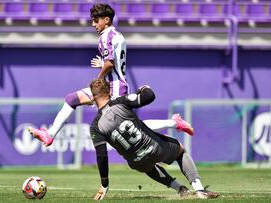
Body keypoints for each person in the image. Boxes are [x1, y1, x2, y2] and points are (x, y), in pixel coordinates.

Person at [27, 3, 194, 146]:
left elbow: (110, 63)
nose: (93, 24)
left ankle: (174, 123)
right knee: (72, 99)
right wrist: (103, 67)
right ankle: (50, 134)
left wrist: (99, 80)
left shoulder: (105, 36)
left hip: (113, 88)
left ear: (106, 20)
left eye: (96, 20)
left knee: (132, 127)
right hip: (113, 84)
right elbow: (112, 62)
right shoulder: (117, 36)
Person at [89, 79, 219, 200]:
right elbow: (149, 96)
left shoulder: (95, 126)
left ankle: (179, 188)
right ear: (110, 92)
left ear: (93, 97)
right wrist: (144, 88)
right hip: (154, 147)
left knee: (148, 168)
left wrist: (104, 184)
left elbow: (102, 156)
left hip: (136, 162)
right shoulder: (120, 102)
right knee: (180, 151)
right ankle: (199, 190)